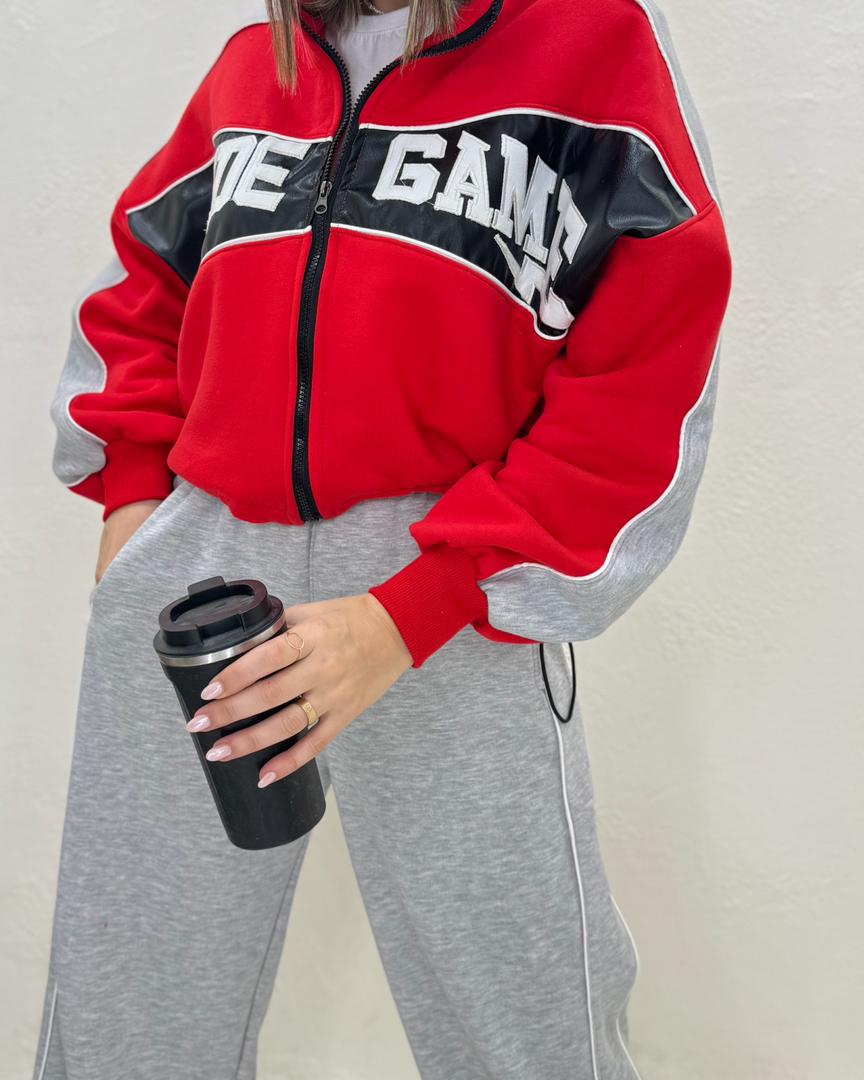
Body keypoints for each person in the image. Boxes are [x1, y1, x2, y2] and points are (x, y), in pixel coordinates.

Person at [32, 0, 733, 1076]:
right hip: (203, 576)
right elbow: (143, 282)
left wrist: (419, 608)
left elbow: (648, 360)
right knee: (132, 1008)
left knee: (519, 1017)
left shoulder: (590, 40)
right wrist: (136, 507)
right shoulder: (251, 68)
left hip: (452, 579)